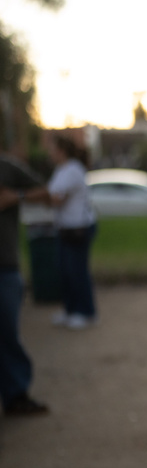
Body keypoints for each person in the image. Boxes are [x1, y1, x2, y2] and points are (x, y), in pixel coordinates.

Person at [0, 156, 50, 416]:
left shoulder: (7, 168)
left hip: (5, 267)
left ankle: (16, 395)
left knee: (8, 335)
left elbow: (47, 193)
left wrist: (15, 196)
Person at [44, 135, 98, 330]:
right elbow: (52, 195)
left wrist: (38, 198)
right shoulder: (61, 170)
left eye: (52, 149)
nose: (50, 153)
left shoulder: (73, 170)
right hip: (65, 228)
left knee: (77, 271)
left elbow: (57, 198)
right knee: (65, 271)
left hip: (78, 228)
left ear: (61, 150)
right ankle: (71, 310)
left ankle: (86, 312)